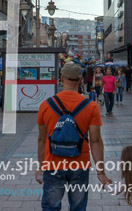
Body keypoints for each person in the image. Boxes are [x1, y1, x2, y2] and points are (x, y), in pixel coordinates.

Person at [35, 62, 111, 210]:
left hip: (53, 163)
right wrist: (101, 172)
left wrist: (40, 166)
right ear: (81, 80)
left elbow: (42, 139)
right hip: (79, 164)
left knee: (51, 207)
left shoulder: (46, 105)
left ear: (61, 78)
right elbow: (95, 141)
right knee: (78, 207)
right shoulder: (91, 106)